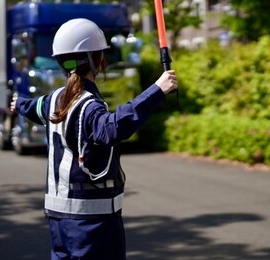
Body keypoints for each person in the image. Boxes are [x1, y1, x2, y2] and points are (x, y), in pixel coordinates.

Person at [10, 18, 178, 260]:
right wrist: (157, 90)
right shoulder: (88, 105)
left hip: (58, 223)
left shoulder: (54, 99)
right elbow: (111, 128)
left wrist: (19, 104)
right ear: (95, 60)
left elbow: (34, 108)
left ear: (61, 62)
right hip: (92, 226)